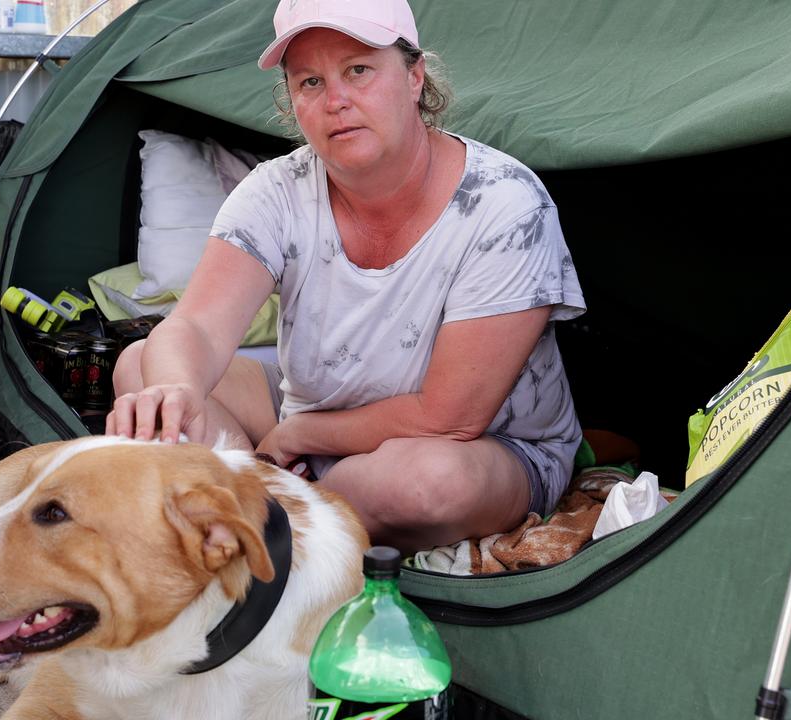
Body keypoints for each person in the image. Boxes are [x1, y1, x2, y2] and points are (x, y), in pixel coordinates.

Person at [108, 0, 585, 553]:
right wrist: (178, 389)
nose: (336, 101)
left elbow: (447, 418)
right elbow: (196, 327)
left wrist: (299, 435)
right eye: (310, 81)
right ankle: (263, 513)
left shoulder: (504, 205)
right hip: (309, 411)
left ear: (414, 76)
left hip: (476, 446)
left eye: (358, 70)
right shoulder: (276, 191)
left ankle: (255, 518)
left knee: (429, 484)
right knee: (145, 369)